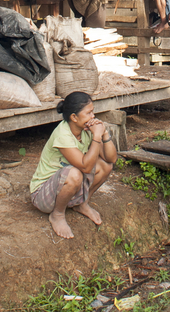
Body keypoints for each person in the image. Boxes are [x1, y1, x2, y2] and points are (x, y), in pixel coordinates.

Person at [29, 91, 117, 239]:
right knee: (74, 174)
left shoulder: (85, 130)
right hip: (43, 195)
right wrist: (96, 136)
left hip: (65, 187)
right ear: (74, 117)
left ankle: (82, 204)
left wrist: (104, 134)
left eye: (93, 112)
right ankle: (57, 214)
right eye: (88, 113)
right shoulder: (62, 134)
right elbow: (86, 167)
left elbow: (111, 159)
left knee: (105, 166)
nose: (93, 116)